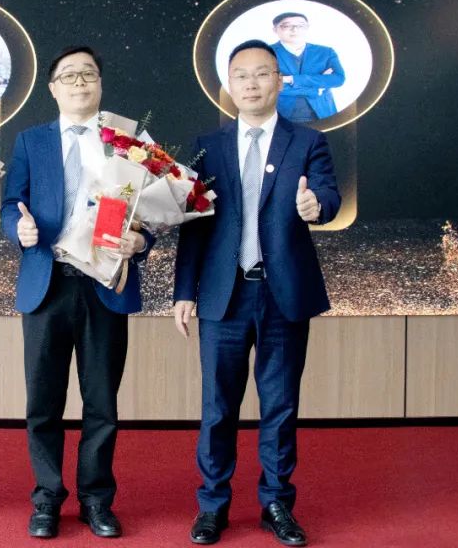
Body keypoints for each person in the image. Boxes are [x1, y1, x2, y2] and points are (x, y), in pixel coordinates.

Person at [173, 39, 340, 546]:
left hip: (281, 292)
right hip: (222, 296)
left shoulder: (307, 142)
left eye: (262, 73)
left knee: (280, 406)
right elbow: (194, 224)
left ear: (279, 81)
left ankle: (276, 504)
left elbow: (329, 194)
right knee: (217, 407)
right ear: (229, 84)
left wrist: (317, 207)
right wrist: (184, 291)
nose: (251, 83)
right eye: (241, 75)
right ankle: (212, 506)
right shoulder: (207, 146)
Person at [0, 45, 154, 540]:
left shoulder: (128, 141)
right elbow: (11, 203)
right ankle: (47, 498)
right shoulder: (31, 141)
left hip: (104, 284)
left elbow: (152, 209)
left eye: (88, 73)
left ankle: (96, 500)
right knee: (43, 403)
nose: (79, 82)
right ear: (52, 88)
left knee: (102, 402)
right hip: (47, 283)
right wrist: (17, 228)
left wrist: (141, 241)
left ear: (100, 84)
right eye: (69, 75)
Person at [269, 12, 346, 123]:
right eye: (286, 26)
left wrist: (291, 79)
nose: (295, 29)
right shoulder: (264, 53)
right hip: (279, 114)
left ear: (307, 28)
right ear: (275, 30)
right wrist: (315, 89)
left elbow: (338, 79)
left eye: (301, 25)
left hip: (322, 113)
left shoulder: (325, 52)